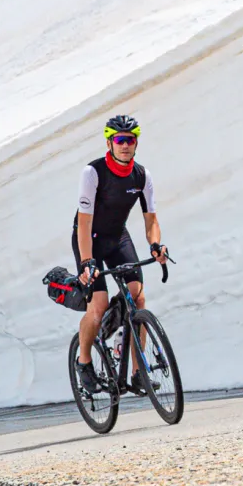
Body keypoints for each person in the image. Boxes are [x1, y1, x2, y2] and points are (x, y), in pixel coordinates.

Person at [72, 114, 167, 394]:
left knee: (137, 296)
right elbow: (85, 222)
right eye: (119, 140)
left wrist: (155, 244)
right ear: (110, 143)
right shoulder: (93, 173)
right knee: (98, 305)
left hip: (116, 237)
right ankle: (84, 361)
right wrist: (88, 262)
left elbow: (151, 219)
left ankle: (139, 373)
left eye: (130, 140)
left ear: (136, 143)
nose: (125, 145)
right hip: (88, 239)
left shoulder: (142, 176)